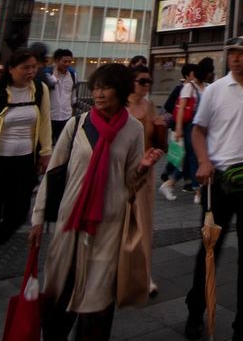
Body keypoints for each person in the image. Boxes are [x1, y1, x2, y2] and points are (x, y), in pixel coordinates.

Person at [33, 63, 161, 341]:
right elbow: (53, 173)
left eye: (106, 87)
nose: (99, 94)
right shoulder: (77, 124)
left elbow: (130, 182)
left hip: (109, 224)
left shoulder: (133, 129)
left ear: (121, 90)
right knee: (58, 296)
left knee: (98, 302)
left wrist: (142, 168)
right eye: (96, 87)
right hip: (70, 221)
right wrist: (38, 217)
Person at [185, 35, 243, 341]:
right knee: (210, 251)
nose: (235, 58)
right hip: (219, 182)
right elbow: (198, 131)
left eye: (242, 53)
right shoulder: (214, 90)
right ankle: (195, 310)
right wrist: (203, 161)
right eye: (232, 53)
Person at [0, 48, 53, 302]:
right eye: (25, 67)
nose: (31, 71)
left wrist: (45, 153)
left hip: (24, 163)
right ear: (11, 69)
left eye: (33, 67)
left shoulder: (39, 91)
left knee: (17, 214)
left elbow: (44, 122)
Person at [126, 64, 167, 297]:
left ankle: (144, 274)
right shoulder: (119, 106)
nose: (147, 85)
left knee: (143, 225)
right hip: (121, 173)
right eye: (142, 81)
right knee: (120, 225)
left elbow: (155, 139)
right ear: (130, 82)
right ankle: (118, 270)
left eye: (149, 81)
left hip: (145, 174)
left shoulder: (150, 106)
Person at [160, 63, 203, 199]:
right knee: (186, 157)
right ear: (187, 75)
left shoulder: (199, 87)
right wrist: (179, 126)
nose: (195, 75)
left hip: (193, 128)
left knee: (186, 158)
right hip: (185, 127)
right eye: (192, 73)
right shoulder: (182, 88)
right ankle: (194, 188)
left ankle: (172, 180)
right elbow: (170, 106)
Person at [46, 48, 78, 143]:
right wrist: (55, 70)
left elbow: (73, 93)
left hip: (66, 115)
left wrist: (73, 112)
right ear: (56, 61)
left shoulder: (72, 74)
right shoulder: (48, 73)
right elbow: (53, 81)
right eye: (64, 61)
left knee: (63, 144)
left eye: (70, 61)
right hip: (50, 116)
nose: (67, 64)